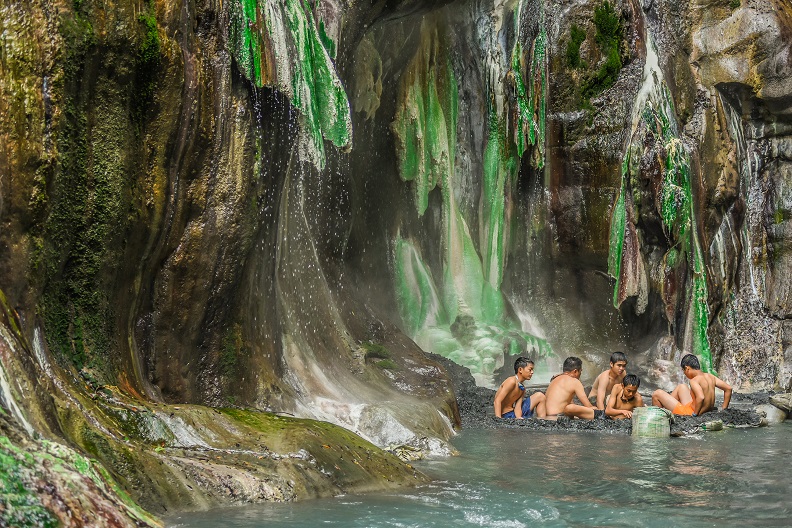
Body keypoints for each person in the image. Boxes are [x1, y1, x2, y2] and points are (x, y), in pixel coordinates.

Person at [652, 354, 732, 416]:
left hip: (689, 412)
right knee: (682, 387)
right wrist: (724, 409)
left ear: (687, 368)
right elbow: (728, 389)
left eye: (684, 371)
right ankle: (667, 408)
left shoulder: (694, 381)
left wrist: (695, 414)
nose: (684, 373)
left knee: (657, 393)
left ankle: (661, 416)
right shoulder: (710, 376)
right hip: (703, 410)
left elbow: (700, 397)